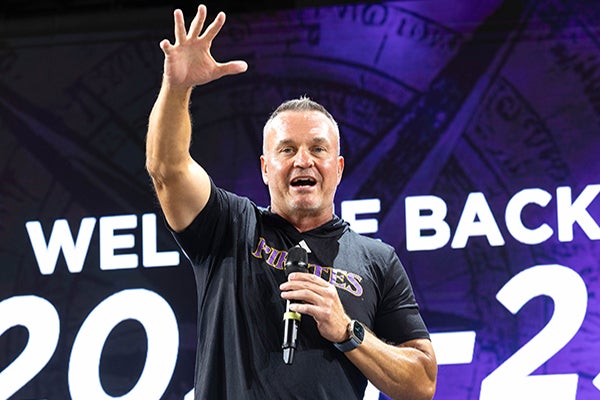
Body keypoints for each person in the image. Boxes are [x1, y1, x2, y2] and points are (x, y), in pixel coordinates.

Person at [145, 4, 437, 400]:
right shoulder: (230, 227)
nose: (303, 160)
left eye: (318, 148)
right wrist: (177, 89)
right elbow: (167, 169)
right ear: (265, 168)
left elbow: (422, 384)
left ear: (338, 167)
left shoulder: (377, 261)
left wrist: (347, 330)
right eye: (287, 150)